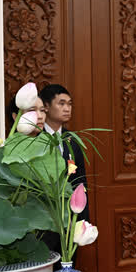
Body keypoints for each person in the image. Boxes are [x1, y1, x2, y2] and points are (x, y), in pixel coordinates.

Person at [39, 84, 89, 260]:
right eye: (61, 103)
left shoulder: (72, 140)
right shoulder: (33, 138)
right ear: (46, 106)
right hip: (42, 221)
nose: (67, 108)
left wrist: (82, 220)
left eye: (69, 104)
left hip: (69, 220)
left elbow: (80, 182)